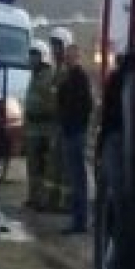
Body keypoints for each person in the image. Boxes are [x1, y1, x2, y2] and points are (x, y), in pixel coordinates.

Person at [56, 43, 94, 234]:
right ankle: (77, 219)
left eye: (71, 56)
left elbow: (86, 106)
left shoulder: (80, 78)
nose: (67, 59)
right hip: (70, 131)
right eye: (67, 56)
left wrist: (77, 125)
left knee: (78, 178)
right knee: (74, 178)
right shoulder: (69, 78)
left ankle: (81, 221)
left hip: (75, 133)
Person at [23, 39, 56, 211]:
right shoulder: (34, 76)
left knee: (44, 167)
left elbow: (51, 101)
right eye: (30, 55)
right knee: (33, 167)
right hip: (33, 128)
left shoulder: (48, 75)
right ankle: (33, 197)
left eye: (34, 55)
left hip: (45, 128)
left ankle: (43, 200)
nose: (31, 59)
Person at [47, 26, 74, 213]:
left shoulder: (67, 71)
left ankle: (67, 203)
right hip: (57, 123)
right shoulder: (55, 70)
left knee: (66, 167)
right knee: (55, 164)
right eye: (53, 46)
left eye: (59, 46)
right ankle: (54, 201)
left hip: (67, 124)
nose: (55, 50)